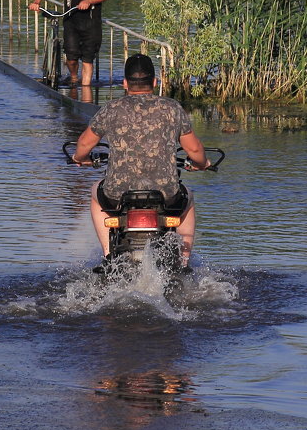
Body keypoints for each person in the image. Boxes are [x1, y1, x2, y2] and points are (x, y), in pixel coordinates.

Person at [71, 53, 210, 269]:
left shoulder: (111, 109)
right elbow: (194, 149)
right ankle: (183, 262)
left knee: (94, 192)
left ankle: (109, 254)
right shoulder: (172, 108)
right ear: (154, 82)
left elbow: (83, 145)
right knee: (188, 197)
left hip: (117, 194)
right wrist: (202, 163)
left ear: (125, 83)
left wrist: (81, 159)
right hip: (166, 194)